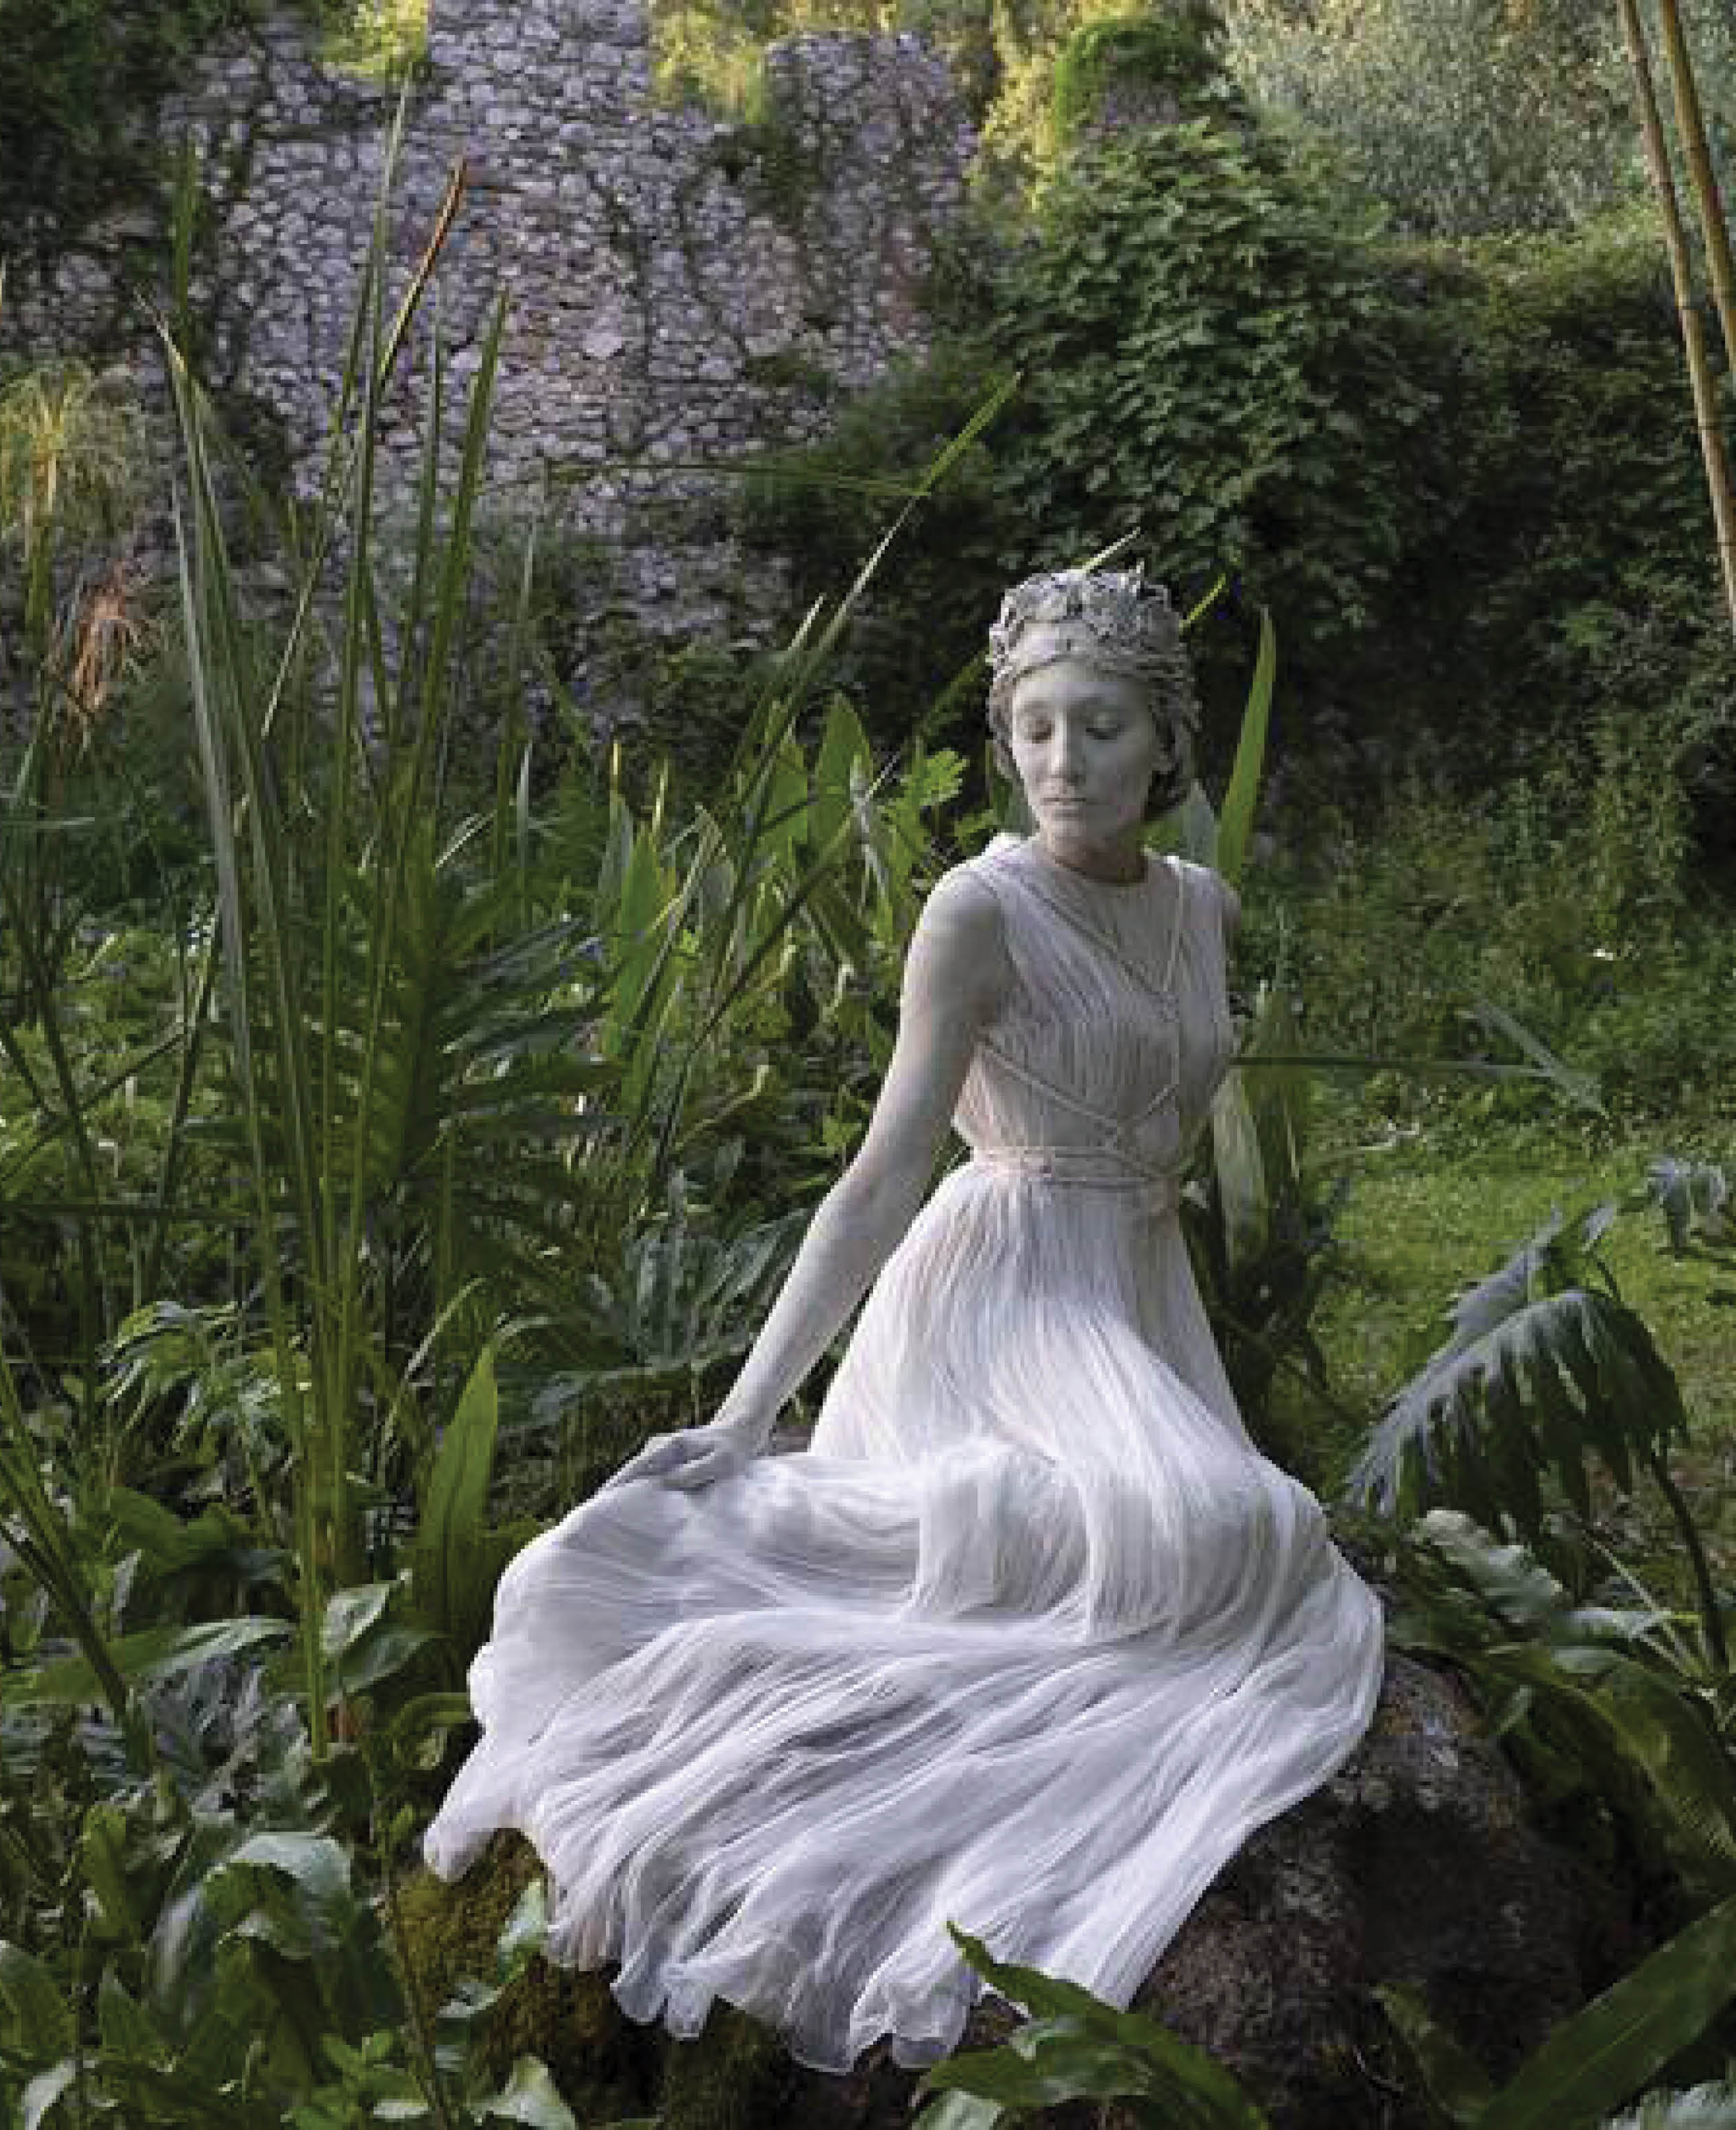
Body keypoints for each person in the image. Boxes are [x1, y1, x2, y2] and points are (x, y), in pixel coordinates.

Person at [422, 564, 1385, 2075]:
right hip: (996, 1294)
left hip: (1135, 1300)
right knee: (1194, 1531)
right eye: (1035, 728)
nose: (1062, 760)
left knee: (1241, 1552)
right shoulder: (979, 910)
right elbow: (877, 1178)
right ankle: (684, 1613)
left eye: (1101, 727)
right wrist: (749, 1412)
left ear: (1165, 745)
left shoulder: (1204, 909)